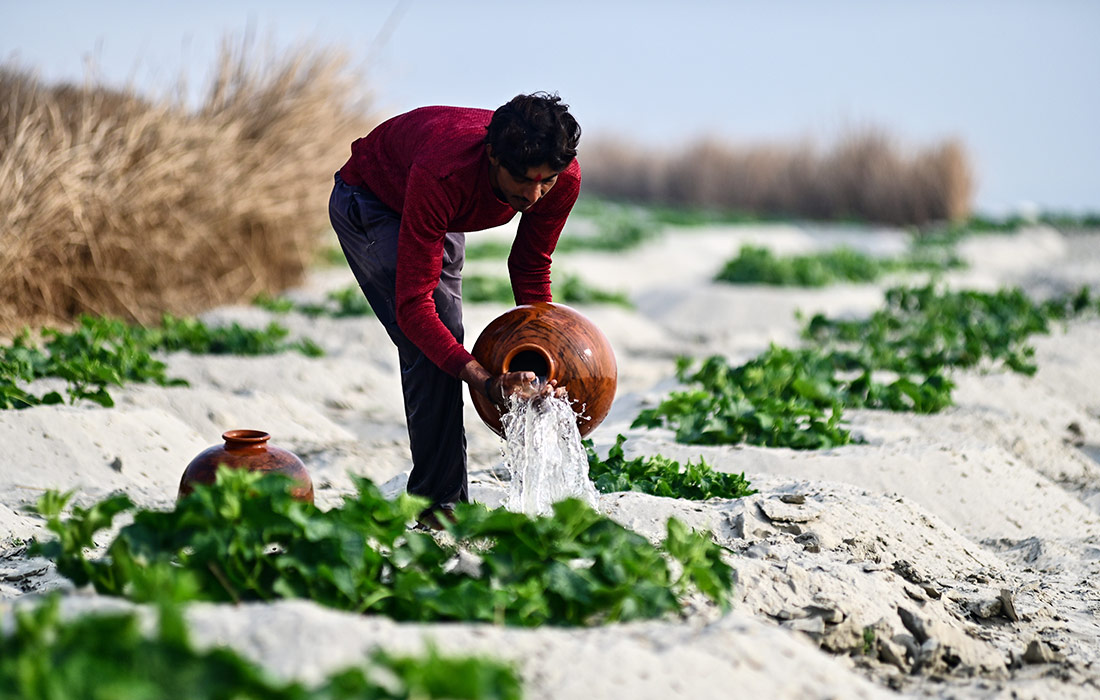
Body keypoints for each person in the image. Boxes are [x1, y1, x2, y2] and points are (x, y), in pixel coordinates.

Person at [328, 92, 582, 527]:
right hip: (371, 200)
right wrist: (484, 381)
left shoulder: (562, 176)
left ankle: (444, 497)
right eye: (524, 181)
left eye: (547, 182)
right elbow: (414, 309)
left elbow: (529, 264)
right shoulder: (445, 172)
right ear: (492, 157)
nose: (536, 195)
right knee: (432, 337)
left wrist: (544, 354)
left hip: (441, 212)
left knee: (445, 335)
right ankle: (438, 506)